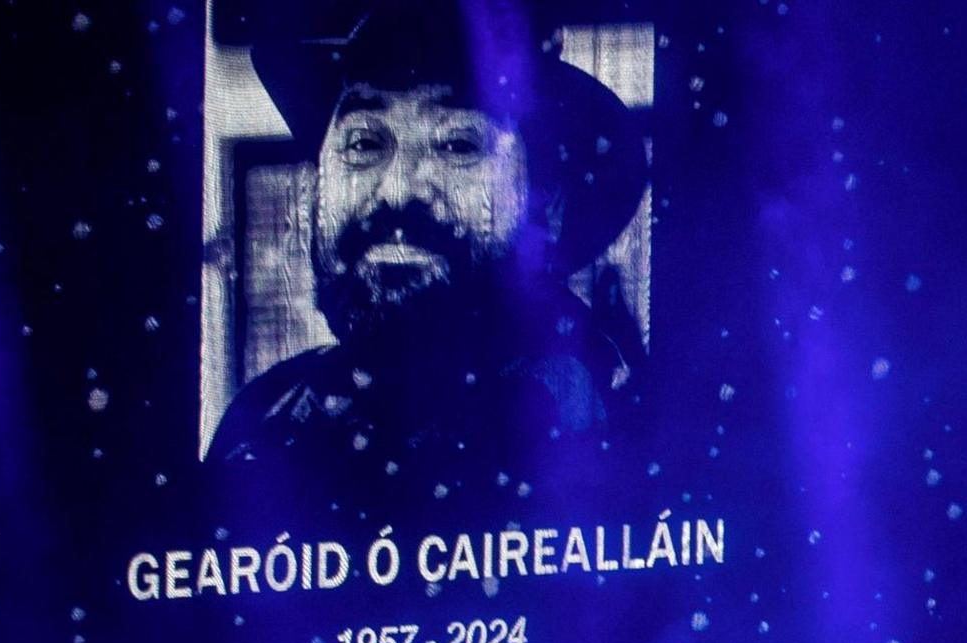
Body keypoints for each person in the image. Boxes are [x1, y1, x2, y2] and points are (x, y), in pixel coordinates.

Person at [213, 0, 646, 470]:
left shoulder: (619, 425)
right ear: (311, 195)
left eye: (458, 144)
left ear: (546, 207)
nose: (398, 191)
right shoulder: (266, 421)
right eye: (363, 143)